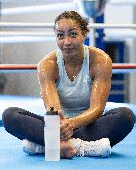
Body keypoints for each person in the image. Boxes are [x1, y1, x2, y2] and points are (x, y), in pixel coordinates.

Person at [2, 11, 135, 159]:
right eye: (60, 35)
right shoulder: (47, 64)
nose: (66, 42)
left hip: (89, 126)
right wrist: (59, 127)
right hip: (57, 125)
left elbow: (97, 108)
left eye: (72, 34)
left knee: (126, 116)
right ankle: (84, 147)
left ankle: (47, 145)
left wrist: (69, 125)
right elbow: (53, 110)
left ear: (84, 33)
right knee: (10, 115)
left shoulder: (100, 61)